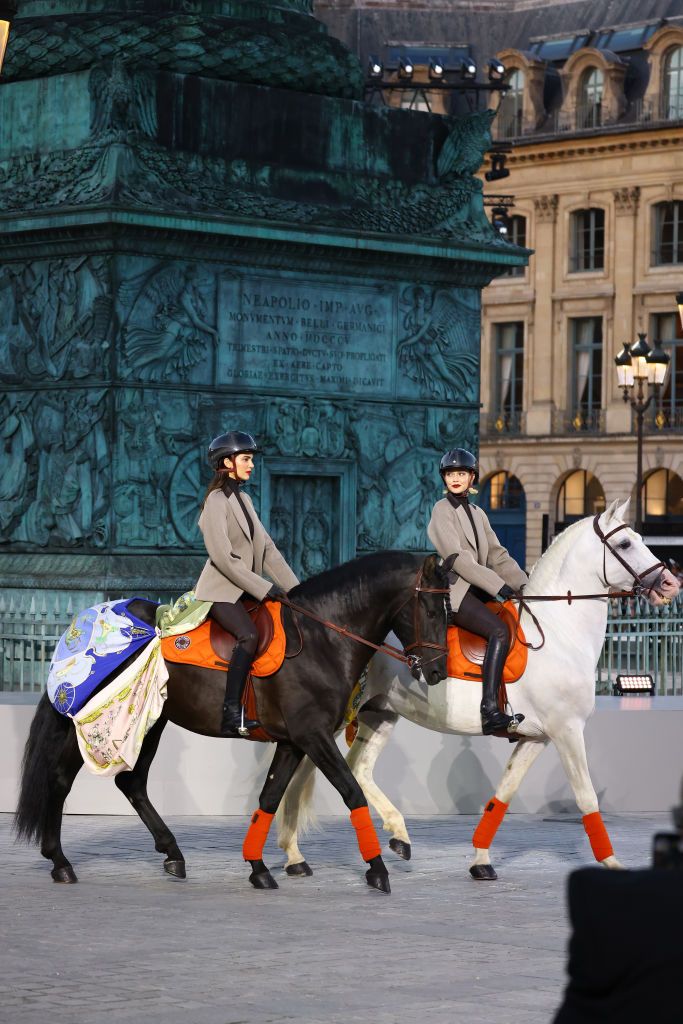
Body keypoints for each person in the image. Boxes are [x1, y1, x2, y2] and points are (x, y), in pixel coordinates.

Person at [195, 431, 299, 737]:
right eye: (246, 459)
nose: (251, 464)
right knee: (249, 636)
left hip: (244, 590)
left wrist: (297, 592)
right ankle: (231, 713)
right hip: (220, 592)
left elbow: (267, 549)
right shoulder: (216, 501)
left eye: (251, 459)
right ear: (227, 462)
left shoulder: (245, 498)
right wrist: (265, 588)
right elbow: (224, 558)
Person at [427, 448, 529, 734]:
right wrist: (499, 587)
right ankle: (490, 710)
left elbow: (498, 555)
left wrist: (523, 586)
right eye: (450, 474)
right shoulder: (441, 511)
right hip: (455, 593)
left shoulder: (478, 513)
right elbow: (458, 558)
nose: (455, 479)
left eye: (461, 473)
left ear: (471, 477)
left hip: (479, 592)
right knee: (498, 631)